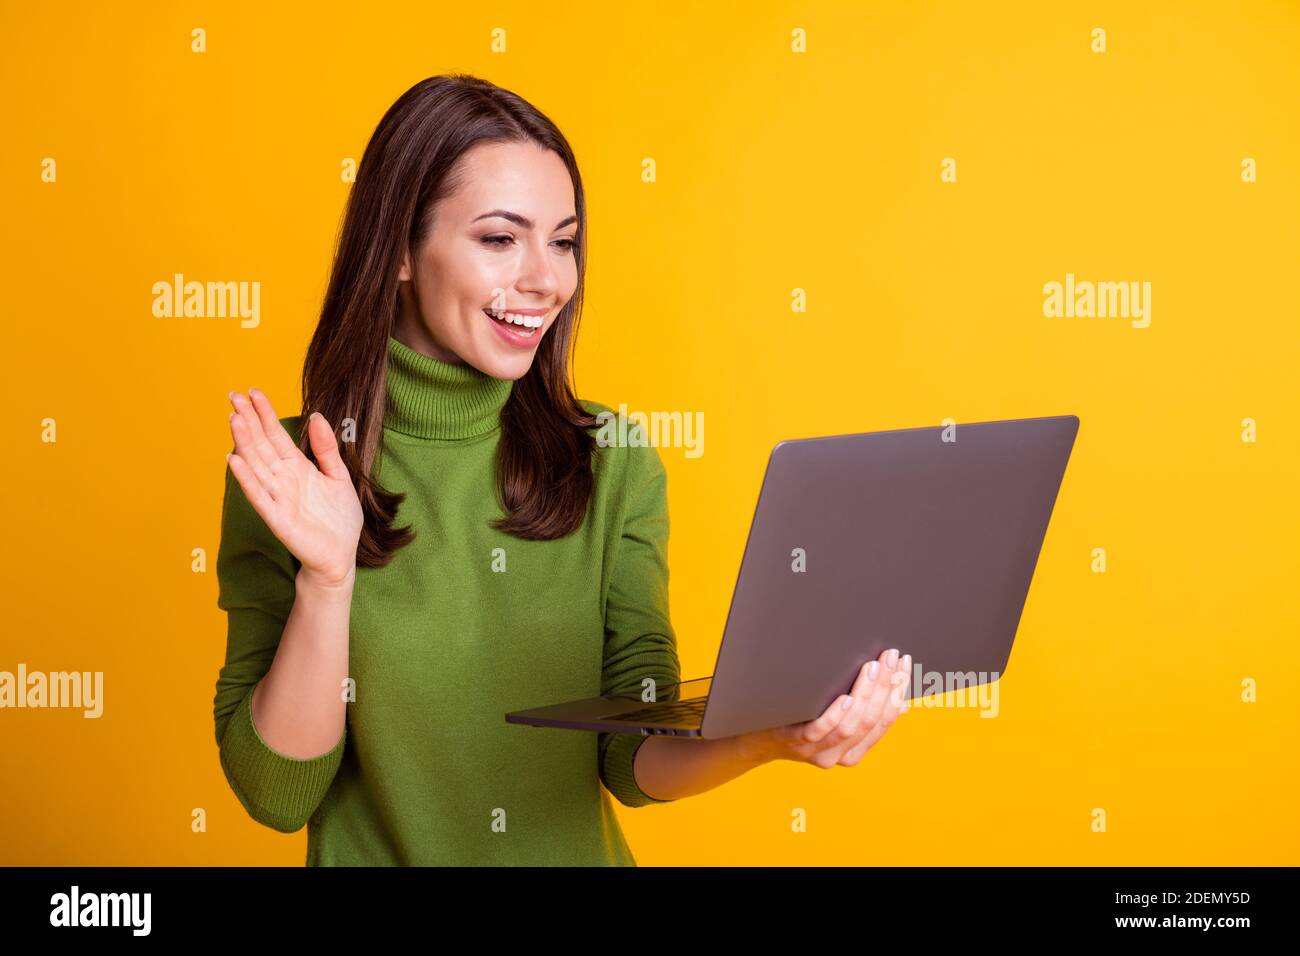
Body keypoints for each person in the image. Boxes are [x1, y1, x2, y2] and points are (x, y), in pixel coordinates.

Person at [213, 73, 910, 866]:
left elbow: (632, 752)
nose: (547, 280)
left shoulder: (613, 462)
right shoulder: (295, 477)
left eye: (564, 239)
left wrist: (768, 737)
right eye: (500, 239)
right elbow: (278, 794)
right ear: (401, 251)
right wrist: (327, 581)